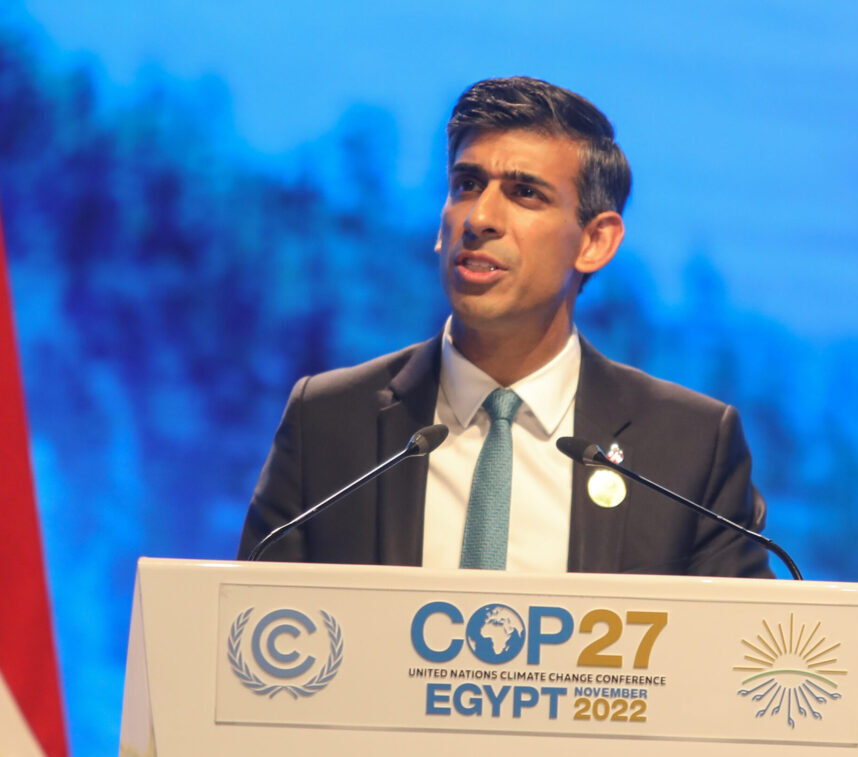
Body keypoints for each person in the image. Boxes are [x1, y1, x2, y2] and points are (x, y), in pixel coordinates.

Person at [238, 76, 773, 578]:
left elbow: (743, 661)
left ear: (595, 243)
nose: (479, 219)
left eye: (525, 194)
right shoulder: (328, 422)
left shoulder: (687, 447)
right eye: (467, 185)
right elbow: (248, 641)